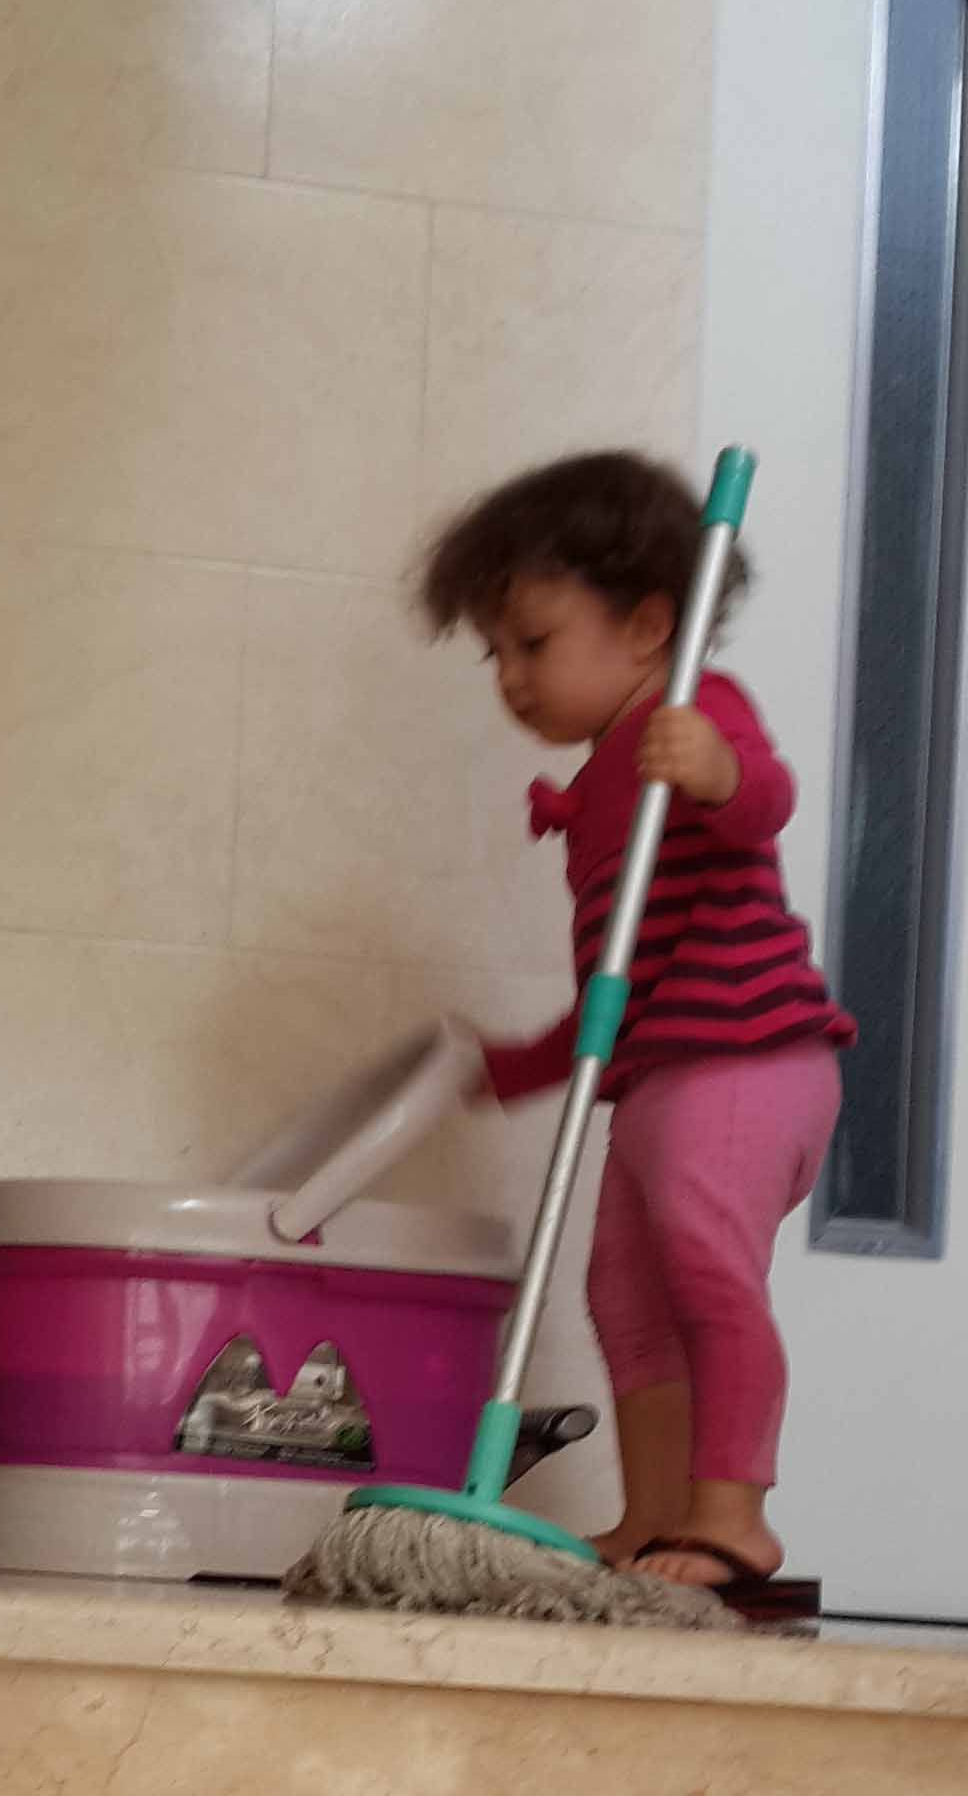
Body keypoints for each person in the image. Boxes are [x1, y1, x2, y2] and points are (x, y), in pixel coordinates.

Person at [422, 450, 854, 1605]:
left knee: (708, 1270)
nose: (511, 677)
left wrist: (716, 773)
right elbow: (623, 990)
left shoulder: (690, 716)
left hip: (749, 1062)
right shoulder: (604, 777)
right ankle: (657, 1508)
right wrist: (513, 1066)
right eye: (496, 654)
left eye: (533, 642)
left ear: (650, 626)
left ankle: (734, 1516)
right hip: (662, 1070)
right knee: (622, 1294)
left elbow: (765, 799)